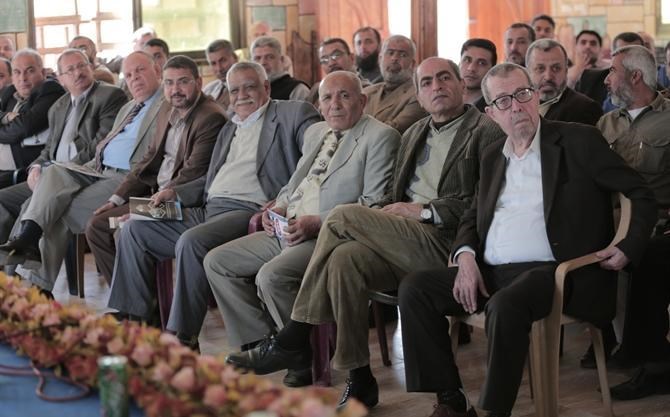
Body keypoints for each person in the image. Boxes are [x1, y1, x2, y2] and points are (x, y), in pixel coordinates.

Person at [224, 57, 505, 409]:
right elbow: (388, 197)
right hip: (402, 237)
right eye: (427, 82)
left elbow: (485, 203)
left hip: (447, 241)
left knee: (342, 215)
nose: (436, 86)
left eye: (444, 78)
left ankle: (293, 335)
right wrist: (385, 217)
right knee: (345, 259)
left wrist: (423, 210)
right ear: (418, 96)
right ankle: (359, 378)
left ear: (462, 85)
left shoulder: (486, 130)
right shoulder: (414, 133)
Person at [397, 62, 656, 417]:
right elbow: (473, 214)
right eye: (503, 101)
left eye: (522, 94)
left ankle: (496, 412)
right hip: (494, 272)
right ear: (491, 114)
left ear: (535, 96)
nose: (516, 106)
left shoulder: (578, 140)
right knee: (415, 289)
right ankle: (451, 399)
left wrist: (628, 245)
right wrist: (466, 256)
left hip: (559, 273)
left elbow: (640, 192)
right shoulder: (493, 155)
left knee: (506, 304)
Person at [204, 70, 399, 387]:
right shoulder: (316, 132)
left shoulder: (380, 137)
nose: (335, 104)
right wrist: (278, 208)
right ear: (319, 104)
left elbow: (373, 204)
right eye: (327, 97)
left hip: (330, 235)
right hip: (289, 226)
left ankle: (298, 354)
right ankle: (275, 345)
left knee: (272, 276)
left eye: (344, 96)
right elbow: (295, 184)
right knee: (217, 262)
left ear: (362, 101)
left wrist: (318, 221)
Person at [105, 61, 319, 331]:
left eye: (249, 87)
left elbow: (317, 156)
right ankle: (137, 319)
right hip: (207, 207)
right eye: (234, 90)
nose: (241, 96)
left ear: (266, 87)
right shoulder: (230, 127)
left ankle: (182, 334)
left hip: (245, 210)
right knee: (133, 226)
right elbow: (209, 180)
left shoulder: (290, 114)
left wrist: (287, 198)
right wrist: (174, 193)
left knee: (191, 241)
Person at [0, 51, 164, 293]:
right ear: (61, 78)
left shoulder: (162, 103)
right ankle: (23, 272)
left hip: (128, 179)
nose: (134, 78)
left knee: (51, 209)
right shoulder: (129, 107)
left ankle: (32, 286)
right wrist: (38, 167)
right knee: (51, 177)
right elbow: (70, 148)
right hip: (95, 170)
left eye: (140, 70)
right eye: (128, 74)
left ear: (157, 70)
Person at [85, 55, 226, 285]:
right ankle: (130, 298)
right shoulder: (166, 107)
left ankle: (142, 303)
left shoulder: (210, 117)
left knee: (125, 228)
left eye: (183, 82)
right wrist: (116, 198)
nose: (175, 90)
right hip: (155, 197)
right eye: (169, 83)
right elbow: (148, 158)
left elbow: (191, 174)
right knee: (97, 225)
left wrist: (145, 211)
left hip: (181, 204)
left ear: (199, 83)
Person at [595, 45, 670, 400]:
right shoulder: (605, 123)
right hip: (607, 222)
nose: (606, 80)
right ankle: (606, 342)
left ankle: (650, 363)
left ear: (636, 76)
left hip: (657, 223)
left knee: (645, 256)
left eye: (613, 71)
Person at [0, 49, 127, 245]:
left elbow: (101, 145)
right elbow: (48, 149)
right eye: (70, 70)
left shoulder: (109, 95)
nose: (78, 73)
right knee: (3, 199)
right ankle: (10, 259)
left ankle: (23, 257)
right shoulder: (58, 107)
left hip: (83, 175)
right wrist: (36, 167)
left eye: (81, 66)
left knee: (33, 207)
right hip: (50, 176)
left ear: (90, 67)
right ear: (60, 78)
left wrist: (63, 169)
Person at [0, 49, 65, 189]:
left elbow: (23, 127)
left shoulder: (51, 90)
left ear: (43, 72)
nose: (23, 78)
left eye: (29, 71)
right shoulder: (9, 93)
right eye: (17, 72)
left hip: (23, 171)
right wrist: (6, 117)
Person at [525, 39, 602, 125]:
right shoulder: (517, 103)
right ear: (527, 72)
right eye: (540, 68)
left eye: (556, 68)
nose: (548, 77)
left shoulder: (585, 108)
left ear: (566, 71)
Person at [363, 34, 427, 133]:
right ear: (380, 59)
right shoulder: (366, 92)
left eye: (402, 55)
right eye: (390, 53)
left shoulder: (419, 95)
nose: (394, 58)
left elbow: (391, 130)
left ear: (413, 64)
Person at [307, 38, 369, 105]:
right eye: (324, 60)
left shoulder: (367, 90)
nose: (331, 63)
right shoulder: (316, 91)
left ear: (352, 58)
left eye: (336, 55)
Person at [251, 36, 309, 101]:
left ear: (281, 60)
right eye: (257, 58)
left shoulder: (297, 90)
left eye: (270, 57)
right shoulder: (247, 90)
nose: (263, 63)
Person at [202, 39, 238, 115]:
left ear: (235, 58)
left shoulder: (247, 88)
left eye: (223, 60)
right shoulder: (208, 89)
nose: (219, 68)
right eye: (213, 63)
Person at [459, 38, 497, 111]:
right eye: (467, 60)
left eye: (481, 63)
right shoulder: (444, 101)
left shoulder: (494, 109)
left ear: (492, 70)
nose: (471, 68)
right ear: (459, 63)